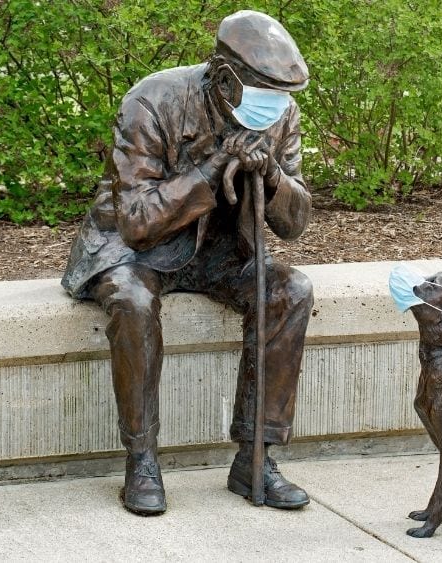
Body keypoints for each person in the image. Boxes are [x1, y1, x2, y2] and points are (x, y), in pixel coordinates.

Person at [61, 10, 313, 515]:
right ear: (224, 79)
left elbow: (295, 222)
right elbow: (137, 221)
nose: (276, 107)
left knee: (291, 290)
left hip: (219, 251)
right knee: (131, 301)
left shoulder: (279, 115)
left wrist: (272, 180)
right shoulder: (152, 101)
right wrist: (214, 164)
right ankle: (142, 458)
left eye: (281, 97)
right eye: (264, 94)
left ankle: (255, 457)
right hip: (133, 249)